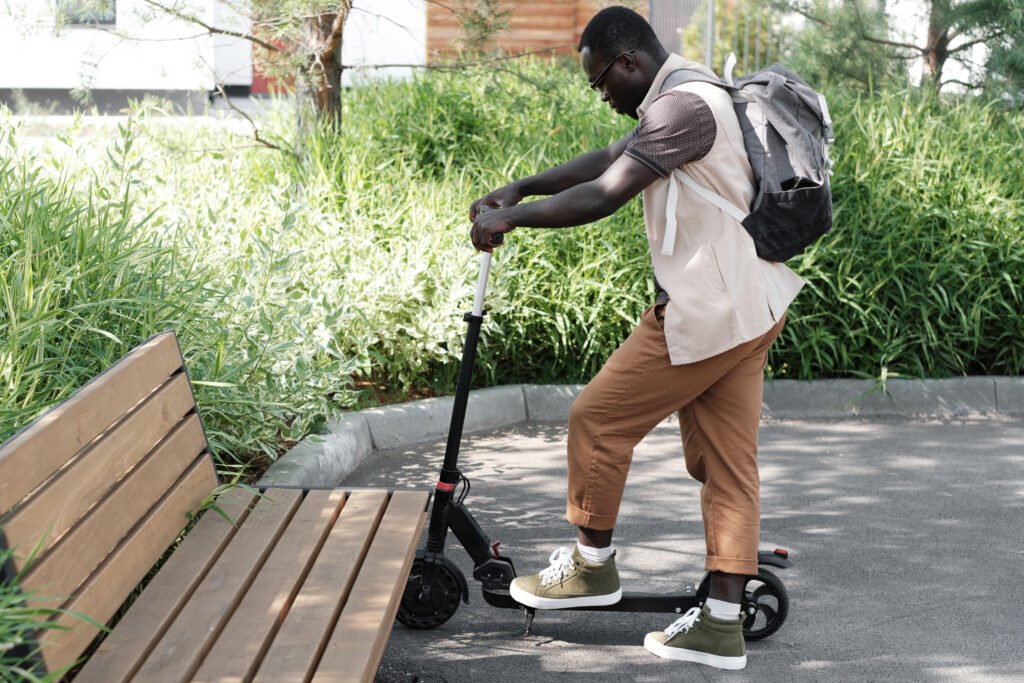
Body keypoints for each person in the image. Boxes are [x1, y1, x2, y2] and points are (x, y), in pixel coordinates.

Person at [469, 6, 803, 671]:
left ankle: (592, 566)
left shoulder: (683, 109)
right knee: (726, 464)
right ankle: (723, 624)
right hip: (750, 303)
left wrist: (511, 220)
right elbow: (608, 157)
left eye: (600, 82)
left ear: (629, 64)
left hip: (708, 310)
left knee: (596, 420)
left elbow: (604, 193)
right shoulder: (690, 93)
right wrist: (523, 187)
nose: (600, 94)